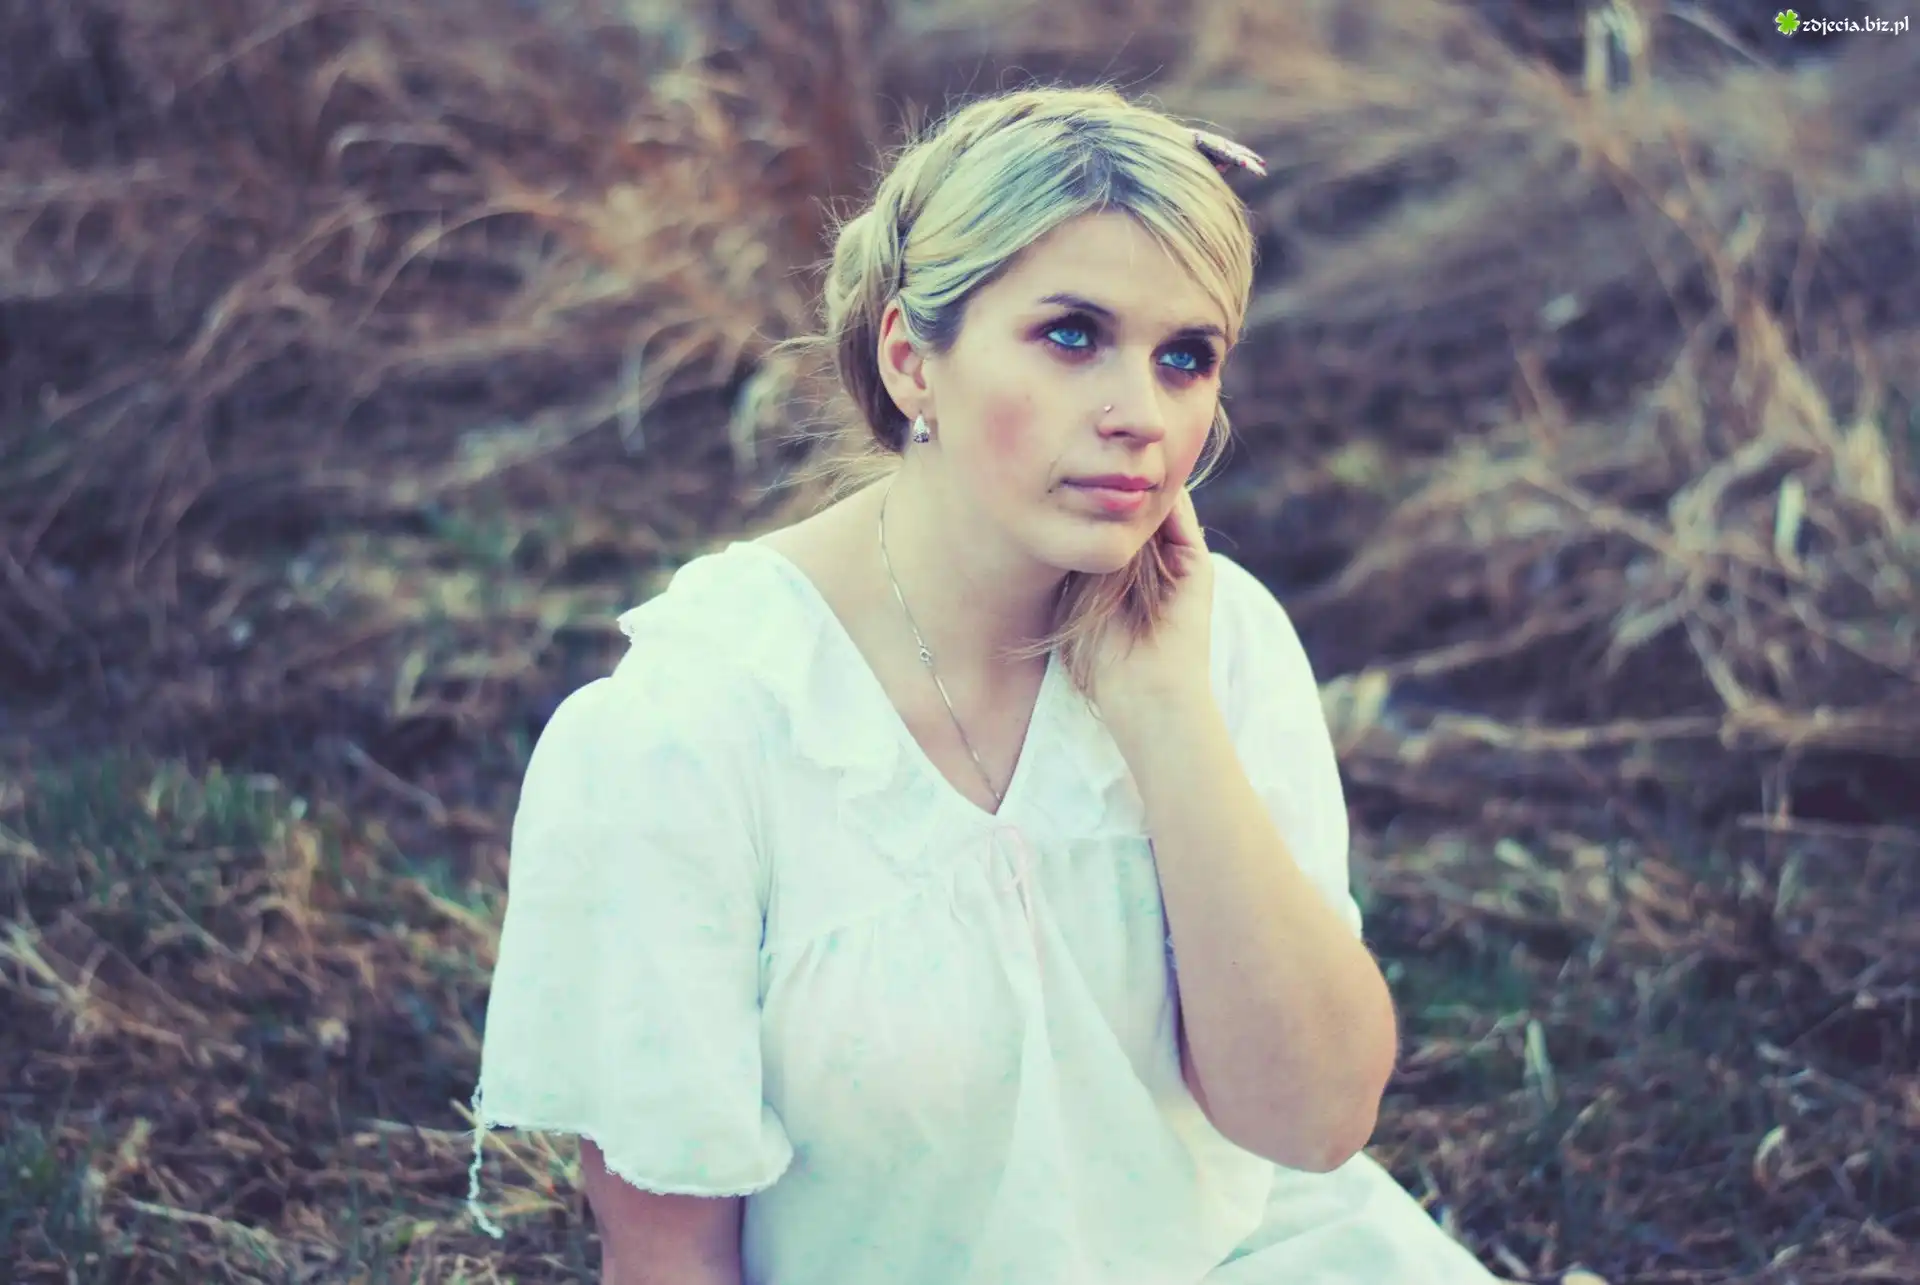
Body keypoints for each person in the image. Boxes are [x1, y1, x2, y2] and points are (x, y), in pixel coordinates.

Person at [465, 85, 1501, 1285]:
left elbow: (1315, 1122)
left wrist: (1166, 715)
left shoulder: (1221, 643)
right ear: (911, 360)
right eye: (1072, 336)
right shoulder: (694, 728)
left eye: (1185, 357)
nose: (1141, 415)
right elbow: (668, 1260)